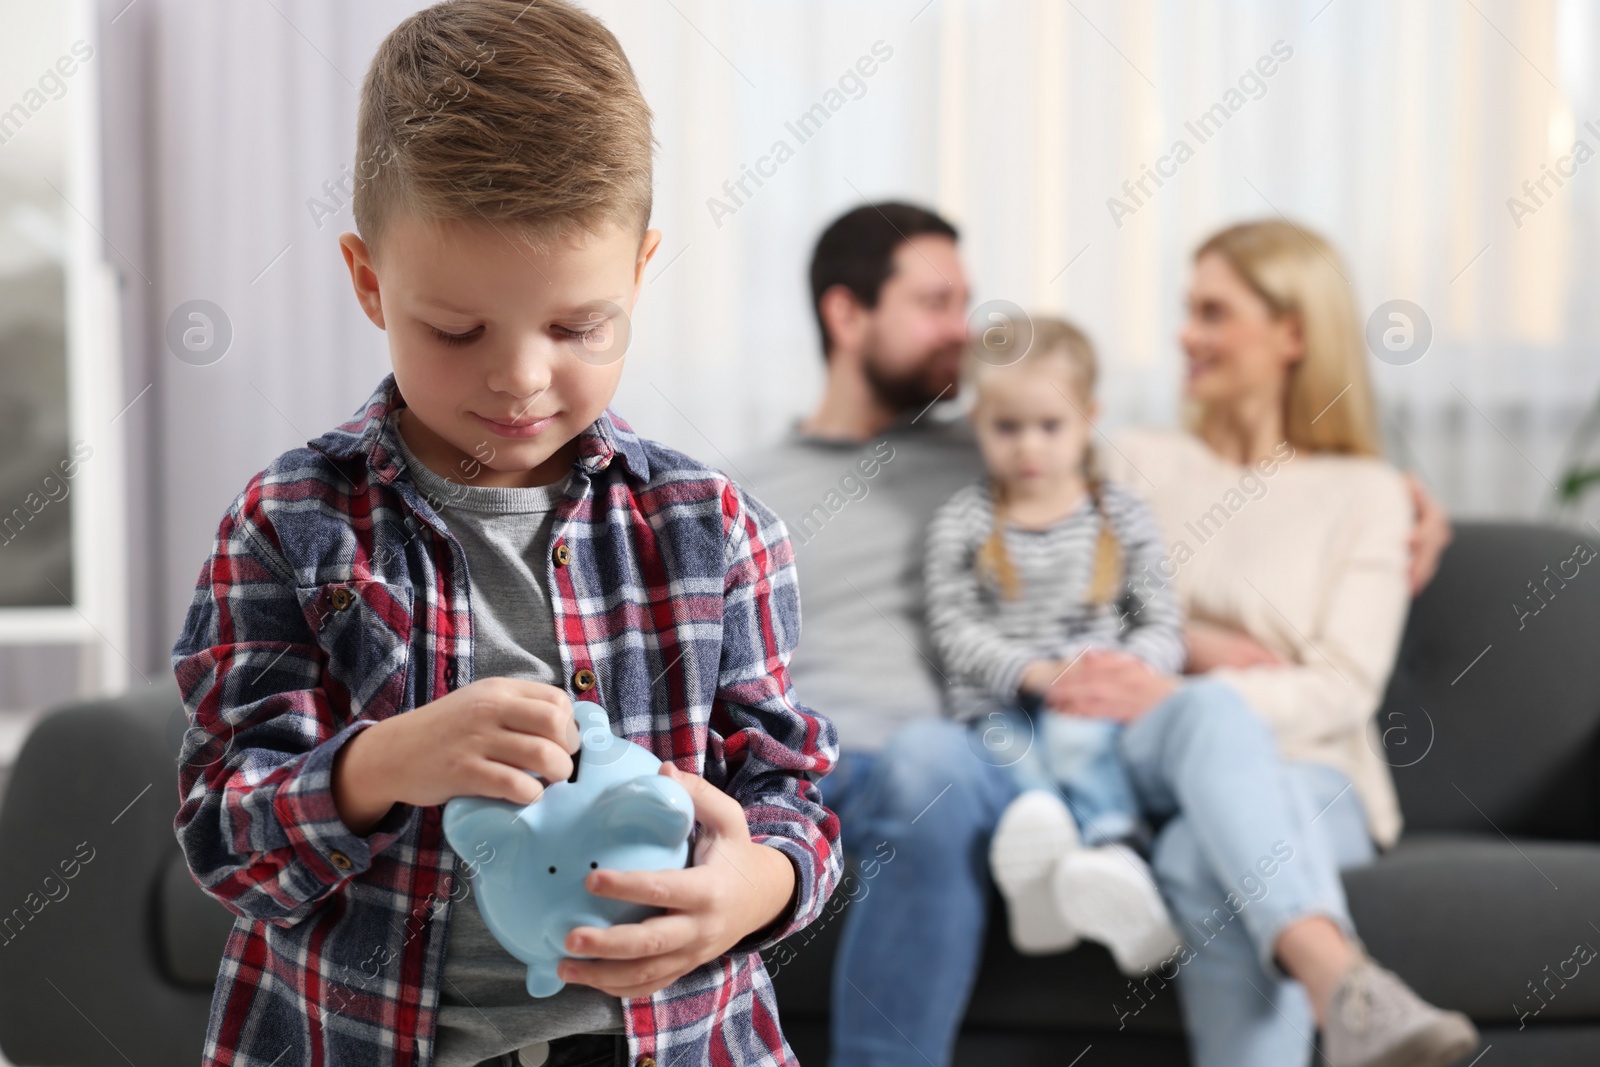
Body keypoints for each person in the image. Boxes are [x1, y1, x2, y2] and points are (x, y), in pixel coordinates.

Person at [169, 5, 839, 1067]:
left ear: (640, 270)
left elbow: (787, 792)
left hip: (676, 1039)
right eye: (456, 328)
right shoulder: (288, 525)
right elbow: (224, 840)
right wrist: (382, 761)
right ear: (369, 280)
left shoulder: (714, 531)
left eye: (580, 326)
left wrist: (755, 886)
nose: (521, 377)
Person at [737, 202, 1458, 1067]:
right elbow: (1083, 555)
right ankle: (1335, 980)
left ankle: (1345, 987)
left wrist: (1402, 512)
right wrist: (1183, 651)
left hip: (1236, 749)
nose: (971, 333)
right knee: (1024, 777)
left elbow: (1117, 565)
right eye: (939, 302)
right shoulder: (1117, 458)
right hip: (1056, 737)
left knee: (1198, 837)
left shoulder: (1358, 489)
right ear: (847, 315)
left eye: (1211, 312)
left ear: (1294, 333)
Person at [922, 317, 1186, 972]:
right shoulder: (964, 519)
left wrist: (1122, 672)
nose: (1028, 447)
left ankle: (1112, 848)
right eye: (1006, 428)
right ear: (977, 420)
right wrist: (1035, 672)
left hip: (1090, 701)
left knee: (1074, 740)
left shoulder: (1120, 515)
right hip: (999, 706)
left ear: (1088, 418)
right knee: (1026, 784)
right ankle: (1061, 874)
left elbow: (1162, 621)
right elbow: (952, 628)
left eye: (1051, 425)